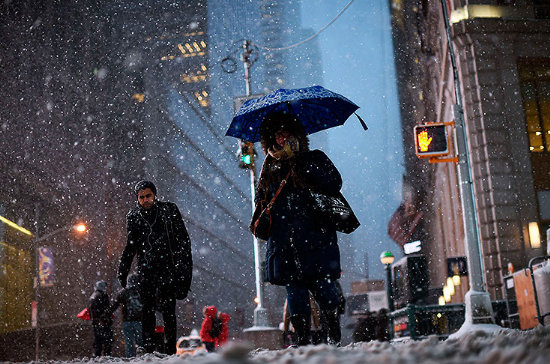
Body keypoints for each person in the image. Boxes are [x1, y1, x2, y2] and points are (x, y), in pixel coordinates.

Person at [251, 111, 343, 346]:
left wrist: (305, 168)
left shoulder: (314, 158)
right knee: (294, 290)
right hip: (284, 241)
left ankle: (332, 327)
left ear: (297, 135)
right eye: (277, 135)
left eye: (286, 134)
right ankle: (302, 337)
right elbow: (261, 199)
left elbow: (334, 183)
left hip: (314, 237)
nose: (282, 139)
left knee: (323, 287)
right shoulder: (269, 166)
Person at [118, 180, 193, 355]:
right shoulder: (134, 216)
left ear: (154, 195)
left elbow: (183, 240)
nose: (145, 200)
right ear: (137, 198)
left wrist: (182, 267)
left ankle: (170, 350)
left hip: (167, 267)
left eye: (148, 196)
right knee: (148, 310)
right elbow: (131, 246)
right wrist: (123, 269)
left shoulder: (169, 210)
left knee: (168, 310)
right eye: (141, 197)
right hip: (146, 269)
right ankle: (149, 349)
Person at [110, 274, 143, 357]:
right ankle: (142, 358)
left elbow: (115, 305)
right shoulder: (141, 291)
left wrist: (106, 314)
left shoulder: (123, 292)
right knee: (140, 342)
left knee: (129, 343)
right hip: (140, 320)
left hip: (127, 321)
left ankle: (130, 359)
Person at [89, 280, 113, 357]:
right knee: (107, 343)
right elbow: (106, 310)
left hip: (95, 323)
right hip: (103, 323)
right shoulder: (103, 295)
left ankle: (97, 358)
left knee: (97, 342)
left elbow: (91, 310)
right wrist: (103, 319)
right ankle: (106, 358)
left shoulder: (93, 296)